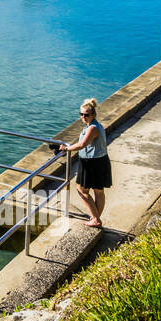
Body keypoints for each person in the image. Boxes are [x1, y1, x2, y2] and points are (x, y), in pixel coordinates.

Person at [58, 98, 111, 228]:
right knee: (98, 191)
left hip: (92, 163)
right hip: (101, 160)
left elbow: (82, 145)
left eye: (86, 115)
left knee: (81, 189)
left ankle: (96, 219)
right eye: (81, 114)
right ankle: (96, 218)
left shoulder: (92, 128)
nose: (83, 117)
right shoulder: (95, 125)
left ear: (93, 115)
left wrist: (66, 149)